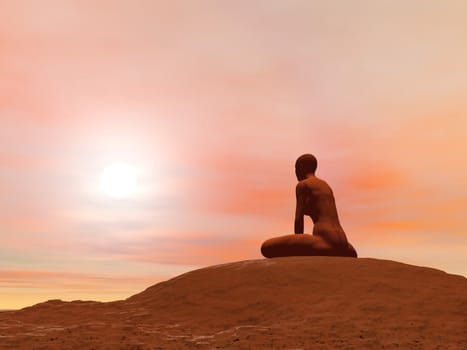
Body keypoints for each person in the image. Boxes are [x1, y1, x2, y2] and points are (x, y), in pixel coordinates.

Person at [294, 153, 349, 247]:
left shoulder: (303, 185)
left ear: (301, 167)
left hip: (324, 237)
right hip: (342, 239)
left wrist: (298, 243)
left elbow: (298, 218)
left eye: (296, 168)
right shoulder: (325, 185)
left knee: (267, 246)